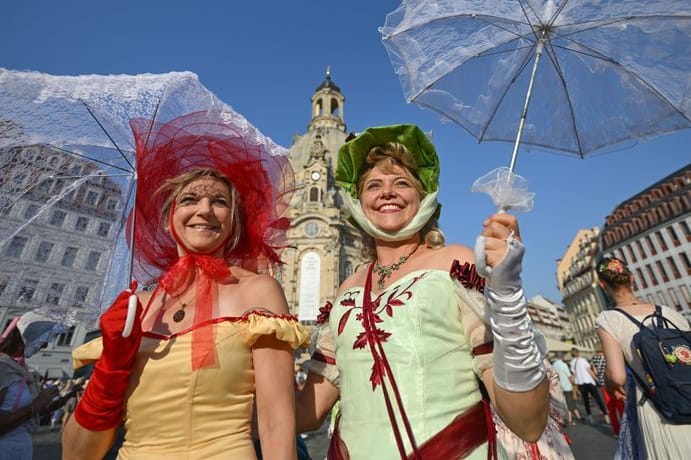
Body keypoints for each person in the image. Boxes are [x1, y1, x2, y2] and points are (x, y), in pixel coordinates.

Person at [295, 124, 556, 459]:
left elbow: (527, 422)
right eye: (374, 185)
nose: (387, 192)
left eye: (401, 182)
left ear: (424, 196)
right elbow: (307, 412)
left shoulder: (453, 262)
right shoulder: (349, 287)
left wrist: (507, 295)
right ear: (358, 202)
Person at [62, 111, 309, 460]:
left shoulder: (258, 291)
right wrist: (111, 367)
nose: (204, 210)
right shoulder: (137, 307)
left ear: (233, 223)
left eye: (220, 202)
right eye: (190, 199)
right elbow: (76, 453)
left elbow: (275, 425)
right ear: (167, 220)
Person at [595, 256, 691, 459]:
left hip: (657, 407)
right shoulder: (670, 313)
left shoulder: (609, 319)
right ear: (632, 278)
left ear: (603, 285)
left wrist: (610, 381)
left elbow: (618, 376)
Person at [0, 317, 65, 460]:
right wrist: (34, 407)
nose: (45, 345)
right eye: (43, 338)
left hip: (20, 449)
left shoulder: (21, 369)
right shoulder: (3, 368)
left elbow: (18, 412)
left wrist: (46, 405)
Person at [590, 344, 623, 435]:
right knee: (620, 407)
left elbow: (594, 372)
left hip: (603, 385)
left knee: (611, 409)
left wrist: (597, 378)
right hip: (613, 384)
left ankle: (616, 431)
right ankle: (625, 429)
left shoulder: (594, 359)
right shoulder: (610, 357)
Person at [569, 348, 607, 423]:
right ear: (578, 353)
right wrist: (596, 378)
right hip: (589, 381)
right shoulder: (583, 360)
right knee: (597, 398)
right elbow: (589, 370)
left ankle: (590, 417)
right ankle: (605, 415)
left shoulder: (572, 362)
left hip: (580, 383)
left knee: (586, 400)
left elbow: (574, 373)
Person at [551, 352, 581, 425]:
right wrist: (573, 382)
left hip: (560, 386)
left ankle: (578, 416)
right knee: (570, 402)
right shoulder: (563, 365)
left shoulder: (554, 365)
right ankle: (570, 419)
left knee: (567, 401)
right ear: (562, 357)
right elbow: (569, 376)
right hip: (567, 386)